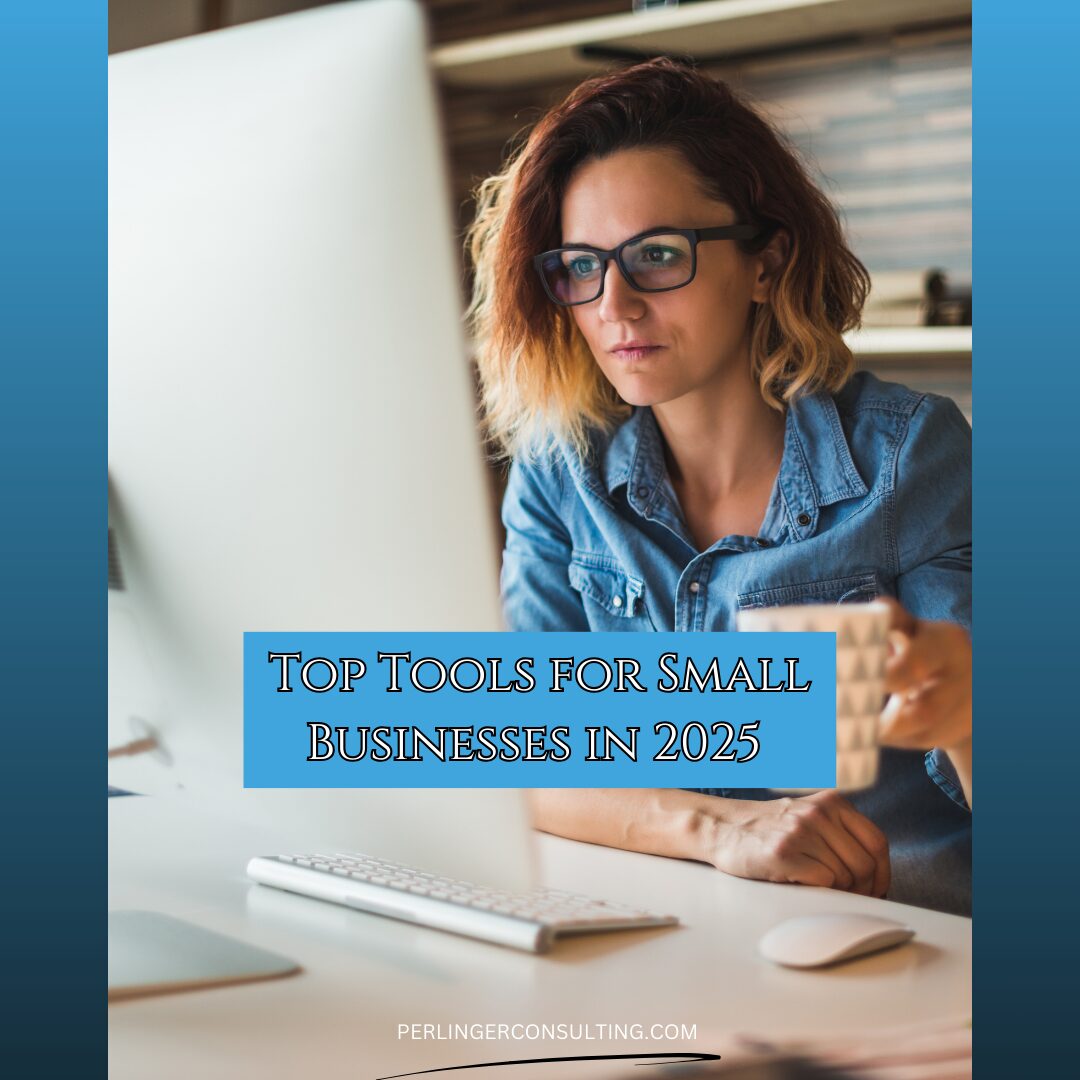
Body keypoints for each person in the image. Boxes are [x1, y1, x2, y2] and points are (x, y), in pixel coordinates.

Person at [465, 58, 971, 916]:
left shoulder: (908, 457)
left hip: (910, 951)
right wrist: (719, 829)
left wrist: (963, 714)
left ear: (766, 264)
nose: (615, 305)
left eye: (658, 256)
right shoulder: (560, 471)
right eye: (582, 267)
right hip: (676, 938)